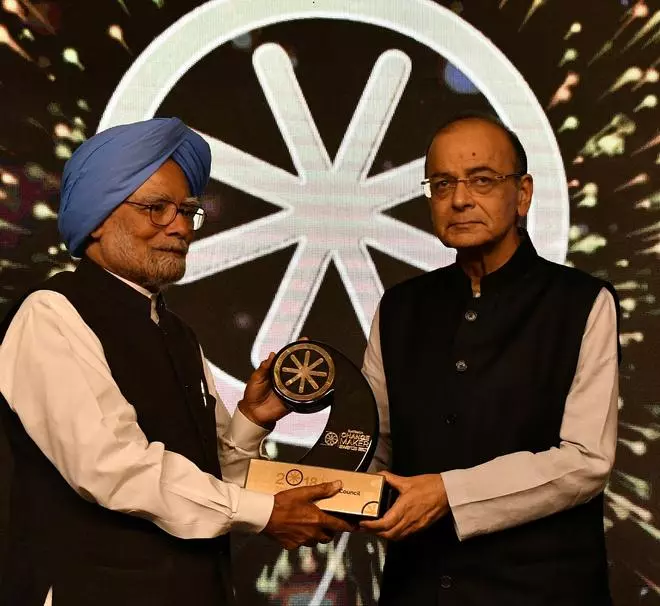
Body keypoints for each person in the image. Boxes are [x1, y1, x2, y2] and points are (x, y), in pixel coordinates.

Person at [0, 117, 352, 606]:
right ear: (99, 217)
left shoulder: (176, 332)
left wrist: (250, 422)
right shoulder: (52, 314)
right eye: (156, 209)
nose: (180, 226)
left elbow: (206, 486)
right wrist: (266, 512)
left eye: (187, 211)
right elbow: (116, 469)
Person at [360, 112, 620, 605]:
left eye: (481, 180)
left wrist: (448, 493)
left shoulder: (581, 302)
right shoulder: (399, 308)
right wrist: (334, 491)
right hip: (417, 589)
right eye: (441, 184)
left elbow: (586, 462)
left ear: (522, 193)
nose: (459, 199)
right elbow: (375, 442)